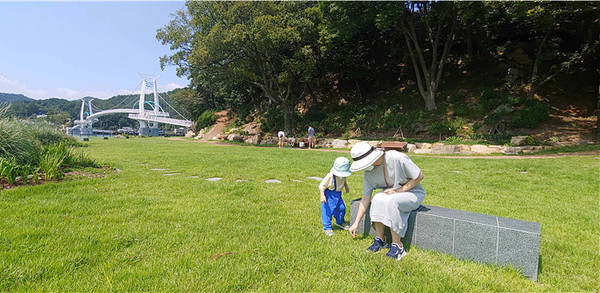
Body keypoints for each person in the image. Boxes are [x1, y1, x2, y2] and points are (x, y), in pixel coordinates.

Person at [348, 141, 425, 260]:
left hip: (413, 193)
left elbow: (419, 176)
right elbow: (366, 197)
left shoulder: (397, 157)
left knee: (391, 201)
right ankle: (381, 239)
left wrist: (400, 191)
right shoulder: (369, 172)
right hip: (390, 193)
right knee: (377, 198)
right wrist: (355, 223)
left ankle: (397, 246)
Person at [318, 157, 352, 236]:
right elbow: (321, 186)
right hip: (329, 195)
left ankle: (340, 222)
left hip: (338, 194)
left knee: (341, 208)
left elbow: (343, 180)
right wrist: (322, 196)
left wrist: (346, 187)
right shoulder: (330, 176)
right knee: (328, 211)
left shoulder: (343, 175)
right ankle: (327, 227)